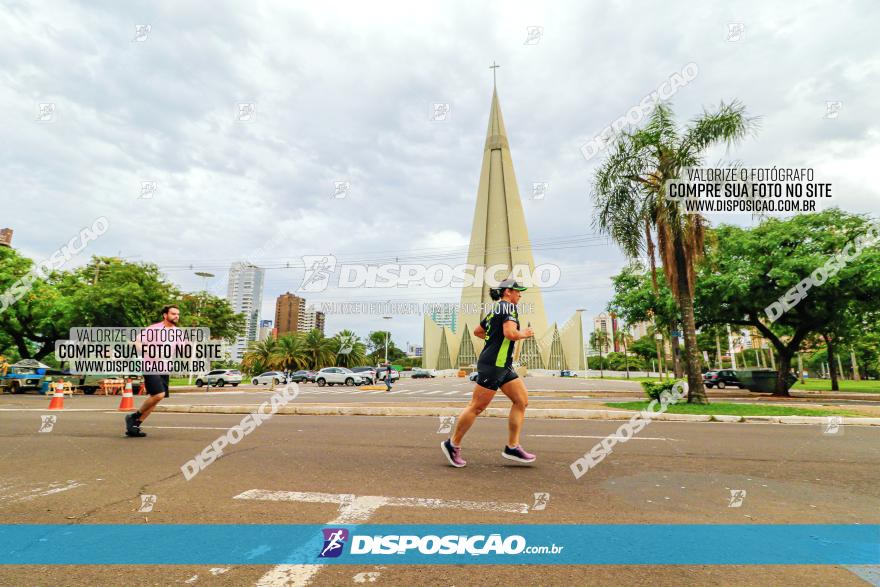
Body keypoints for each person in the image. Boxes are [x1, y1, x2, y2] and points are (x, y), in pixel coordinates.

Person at [441, 278, 536, 467]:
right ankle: (452, 444)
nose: (520, 294)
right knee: (476, 406)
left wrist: (494, 338)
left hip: (504, 366)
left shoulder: (496, 310)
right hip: (494, 364)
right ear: (507, 292)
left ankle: (512, 446)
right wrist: (524, 333)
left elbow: (478, 331)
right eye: (517, 291)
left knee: (521, 401)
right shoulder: (508, 308)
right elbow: (510, 333)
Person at [124, 304, 180, 437]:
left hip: (165, 368)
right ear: (165, 315)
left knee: (155, 398)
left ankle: (134, 426)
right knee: (159, 394)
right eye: (173, 314)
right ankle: (133, 416)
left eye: (178, 314)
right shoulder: (153, 329)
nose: (176, 316)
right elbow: (136, 342)